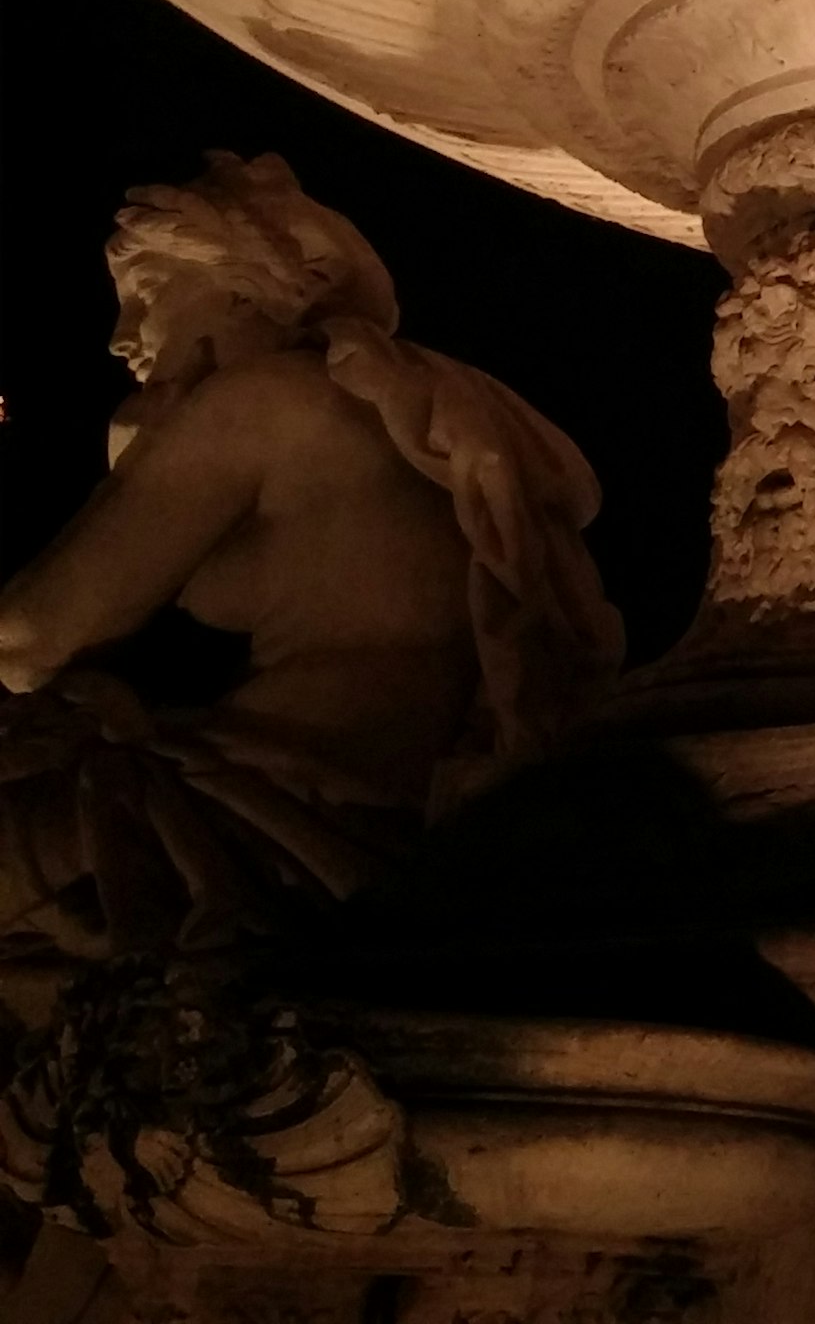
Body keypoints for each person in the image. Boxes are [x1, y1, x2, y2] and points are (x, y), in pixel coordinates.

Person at [0, 155, 617, 959]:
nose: (122, 340)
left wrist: (135, 454)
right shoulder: (410, 404)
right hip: (404, 810)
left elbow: (29, 639)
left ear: (240, 291)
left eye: (146, 299)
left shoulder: (258, 404)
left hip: (267, 809)